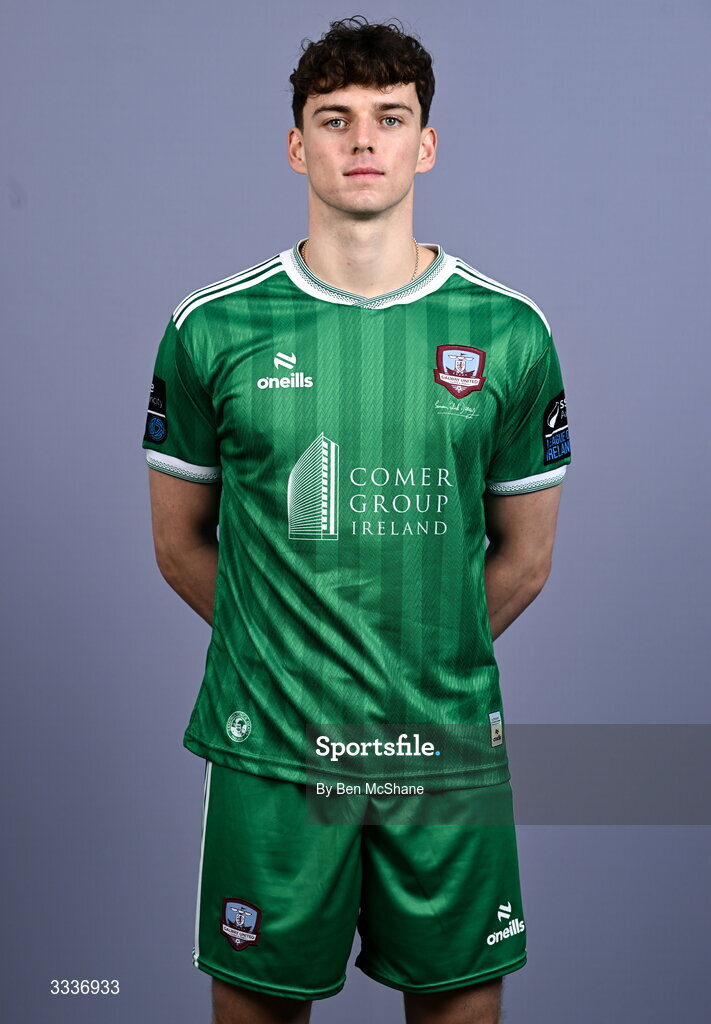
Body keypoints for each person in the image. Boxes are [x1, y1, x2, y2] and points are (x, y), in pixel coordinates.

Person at [141, 15, 571, 1024]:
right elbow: (178, 543)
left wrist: (412, 668)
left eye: (390, 117)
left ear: (427, 144)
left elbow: (525, 560)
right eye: (335, 119)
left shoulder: (509, 332)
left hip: (443, 747)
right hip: (274, 748)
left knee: (460, 1005)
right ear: (298, 146)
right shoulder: (212, 328)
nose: (363, 140)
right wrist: (291, 660)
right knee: (258, 1007)